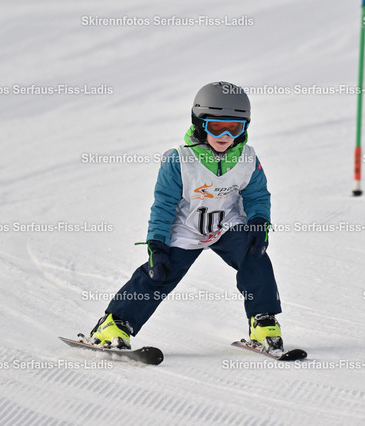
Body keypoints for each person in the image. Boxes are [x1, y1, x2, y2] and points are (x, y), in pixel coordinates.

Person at [87, 81, 284, 353]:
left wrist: (259, 223)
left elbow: (257, 195)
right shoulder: (178, 160)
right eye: (216, 126)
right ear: (199, 123)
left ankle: (263, 322)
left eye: (234, 127)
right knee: (160, 273)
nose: (225, 135)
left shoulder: (247, 158)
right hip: (186, 230)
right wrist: (157, 244)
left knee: (255, 258)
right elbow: (164, 205)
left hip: (227, 226)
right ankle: (115, 323)